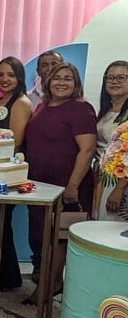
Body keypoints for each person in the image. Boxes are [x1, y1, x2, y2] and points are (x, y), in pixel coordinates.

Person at [23, 62, 97, 303]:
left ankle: (50, 285)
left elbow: (87, 149)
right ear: (48, 81)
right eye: (57, 78)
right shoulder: (42, 106)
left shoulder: (80, 108)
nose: (61, 82)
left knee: (59, 238)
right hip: (40, 186)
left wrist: (73, 186)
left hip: (67, 186)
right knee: (42, 236)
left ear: (76, 83)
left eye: (68, 78)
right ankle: (49, 281)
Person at [0, 57, 32, 290]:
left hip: (5, 173)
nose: (4, 79)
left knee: (0, 221)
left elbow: (16, 141)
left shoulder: (20, 103)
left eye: (10, 75)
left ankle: (8, 277)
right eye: (0, 74)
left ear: (19, 77)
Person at [94, 61, 128, 220]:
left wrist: (119, 189)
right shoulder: (106, 110)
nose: (115, 82)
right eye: (110, 78)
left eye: (121, 78)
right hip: (103, 177)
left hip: (121, 181)